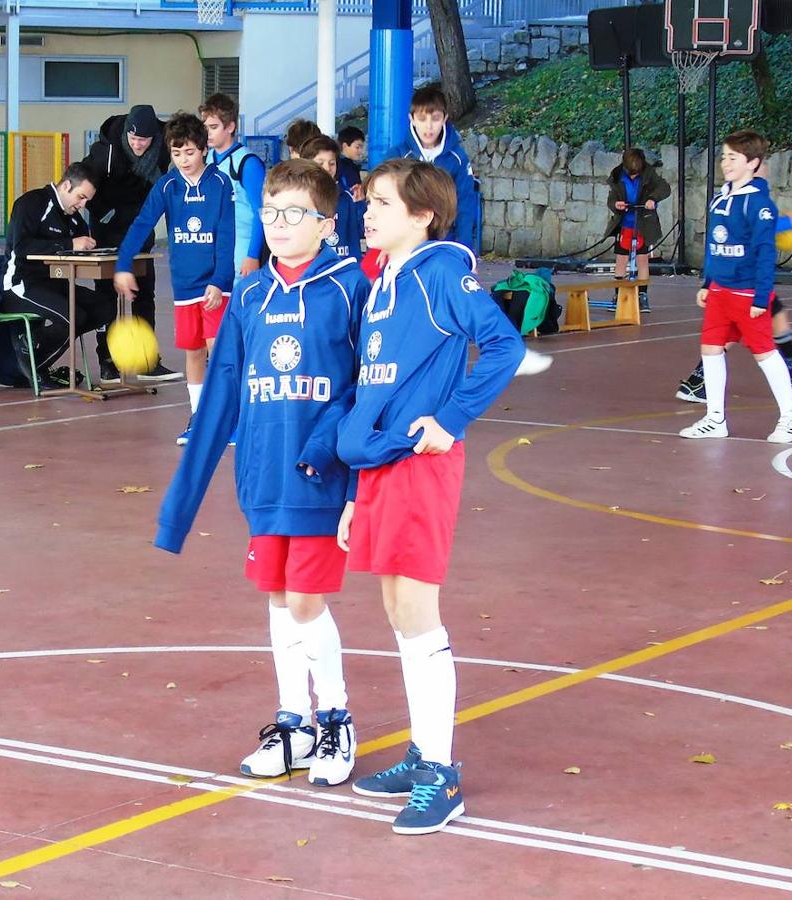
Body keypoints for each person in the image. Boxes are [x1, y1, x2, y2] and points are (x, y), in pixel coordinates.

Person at [154, 159, 369, 787]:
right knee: (278, 600)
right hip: (263, 478)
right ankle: (293, 722)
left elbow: (366, 388)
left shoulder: (350, 287)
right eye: (270, 213)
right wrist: (181, 506)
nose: (278, 224)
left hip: (320, 481)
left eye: (294, 214)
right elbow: (220, 394)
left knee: (307, 600)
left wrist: (334, 452)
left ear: (328, 224)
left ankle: (336, 718)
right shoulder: (248, 295)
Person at [337, 159, 525, 835]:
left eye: (382, 203)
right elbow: (373, 395)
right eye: (368, 202)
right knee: (394, 605)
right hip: (383, 466)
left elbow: (502, 344)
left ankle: (441, 775)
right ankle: (422, 754)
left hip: (421, 462)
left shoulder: (442, 271)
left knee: (417, 608)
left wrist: (451, 420)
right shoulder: (384, 281)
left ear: (421, 215)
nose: (368, 212)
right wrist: (357, 492)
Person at [112, 112, 235, 445]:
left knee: (218, 350)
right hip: (185, 287)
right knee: (193, 352)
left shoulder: (220, 184)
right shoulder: (167, 185)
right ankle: (198, 417)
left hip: (215, 286)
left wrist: (221, 280)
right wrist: (123, 264)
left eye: (190, 153)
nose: (184, 160)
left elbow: (226, 235)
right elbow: (142, 224)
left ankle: (227, 418)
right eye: (177, 154)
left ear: (204, 149)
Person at [679, 130, 792, 443]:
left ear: (752, 163)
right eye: (724, 157)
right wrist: (707, 282)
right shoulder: (720, 199)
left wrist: (762, 296)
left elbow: (765, 253)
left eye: (733, 158)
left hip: (747, 293)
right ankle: (714, 419)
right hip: (720, 292)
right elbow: (712, 244)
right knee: (710, 349)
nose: (726, 163)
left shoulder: (759, 205)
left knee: (764, 353)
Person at [83, 103, 181, 384]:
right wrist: (105, 214)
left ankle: (148, 362)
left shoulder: (163, 148)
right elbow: (86, 186)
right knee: (106, 296)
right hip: (106, 229)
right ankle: (107, 361)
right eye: (134, 138)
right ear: (126, 133)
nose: (138, 144)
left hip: (140, 229)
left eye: (144, 140)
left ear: (155, 138)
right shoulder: (106, 152)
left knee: (143, 292)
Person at [0, 162, 114, 390]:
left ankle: (35, 350)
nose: (82, 205)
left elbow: (82, 240)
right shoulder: (31, 203)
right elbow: (21, 247)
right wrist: (69, 243)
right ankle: (32, 361)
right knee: (74, 317)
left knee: (106, 308)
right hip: (21, 284)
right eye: (80, 197)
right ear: (67, 185)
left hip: (55, 284)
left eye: (86, 202)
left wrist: (91, 248)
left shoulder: (72, 217)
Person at [675, 300, 792, 402]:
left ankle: (697, 381)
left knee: (738, 324)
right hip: (745, 278)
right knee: (767, 319)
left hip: (731, 276)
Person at [402, 86, 480, 251]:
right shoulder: (398, 156)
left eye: (435, 118)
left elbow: (465, 204)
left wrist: (465, 250)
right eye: (422, 119)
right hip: (407, 241)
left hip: (445, 241)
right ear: (412, 119)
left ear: (445, 118)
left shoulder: (458, 158)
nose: (429, 126)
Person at [199, 93, 266, 279]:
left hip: (241, 249)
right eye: (205, 127)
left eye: (213, 127)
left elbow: (261, 213)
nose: (208, 133)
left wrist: (252, 255)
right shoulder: (206, 159)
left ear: (230, 127)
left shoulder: (248, 163)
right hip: (214, 249)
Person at [604, 148, 670, 314]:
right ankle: (618, 293)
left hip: (643, 223)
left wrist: (652, 199)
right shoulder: (617, 175)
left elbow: (664, 188)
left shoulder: (649, 174)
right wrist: (616, 204)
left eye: (636, 173)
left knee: (642, 259)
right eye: (631, 173)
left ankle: (642, 295)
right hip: (625, 223)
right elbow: (612, 198)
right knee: (621, 259)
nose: (633, 176)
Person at [300, 134, 364, 261]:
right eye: (320, 163)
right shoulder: (298, 200)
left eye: (332, 163)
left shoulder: (347, 197)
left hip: (345, 271)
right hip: (312, 271)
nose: (327, 168)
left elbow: (363, 229)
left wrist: (362, 204)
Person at [336, 125, 366, 200]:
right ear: (345, 146)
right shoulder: (341, 166)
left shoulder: (352, 166)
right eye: (357, 147)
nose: (361, 151)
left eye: (361, 147)